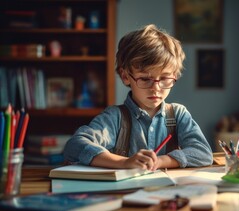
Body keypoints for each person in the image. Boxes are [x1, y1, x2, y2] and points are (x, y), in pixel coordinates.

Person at [63, 24, 213, 171]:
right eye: (145, 79)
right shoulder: (115, 118)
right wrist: (124, 163)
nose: (156, 88)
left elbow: (203, 153)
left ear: (175, 76)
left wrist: (160, 161)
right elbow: (75, 146)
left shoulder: (178, 114)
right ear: (125, 76)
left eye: (165, 78)